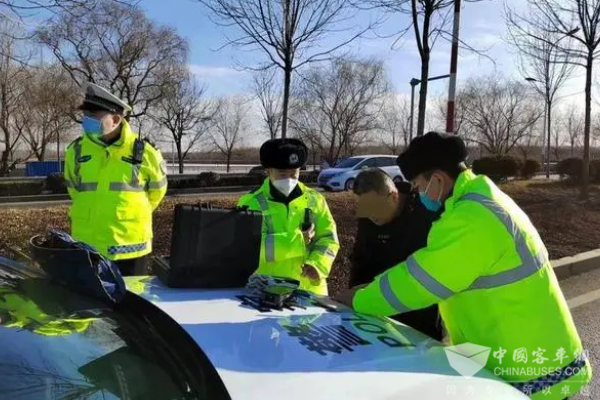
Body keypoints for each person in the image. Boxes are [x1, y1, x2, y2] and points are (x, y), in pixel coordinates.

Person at [335, 132, 592, 400]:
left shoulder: (471, 218)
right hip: (520, 355)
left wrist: (359, 300)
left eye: (419, 186)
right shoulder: (479, 199)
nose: (418, 194)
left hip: (531, 373)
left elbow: (419, 281)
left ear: (437, 179)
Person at [65, 83, 168, 276]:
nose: (86, 120)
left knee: (130, 295)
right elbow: (74, 189)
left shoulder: (145, 151)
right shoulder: (75, 151)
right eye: (85, 115)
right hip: (87, 246)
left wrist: (129, 212)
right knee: (90, 295)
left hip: (130, 249)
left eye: (94, 116)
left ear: (115, 119)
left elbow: (157, 192)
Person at [350, 168, 443, 340]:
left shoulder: (424, 214)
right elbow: (360, 260)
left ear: (393, 197)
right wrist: (352, 299)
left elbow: (427, 270)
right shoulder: (368, 216)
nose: (370, 216)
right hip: (375, 311)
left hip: (418, 314)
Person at [238, 138, 339, 295]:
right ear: (268, 171)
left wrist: (318, 265)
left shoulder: (315, 199)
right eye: (282, 174)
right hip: (266, 291)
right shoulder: (250, 203)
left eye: (294, 173)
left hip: (309, 291)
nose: (289, 180)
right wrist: (297, 241)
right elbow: (247, 248)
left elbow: (328, 239)